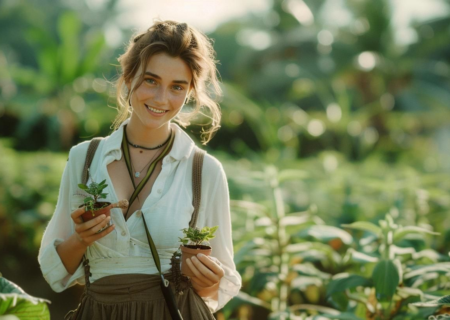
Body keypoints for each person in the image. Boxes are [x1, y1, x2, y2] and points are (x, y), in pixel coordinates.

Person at [38, 20, 241, 319]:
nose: (161, 99)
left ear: (189, 93)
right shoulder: (84, 158)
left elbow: (214, 292)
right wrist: (81, 239)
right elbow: (56, 272)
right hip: (100, 311)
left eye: (177, 87)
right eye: (150, 81)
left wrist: (207, 280)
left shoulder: (204, 171)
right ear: (129, 76)